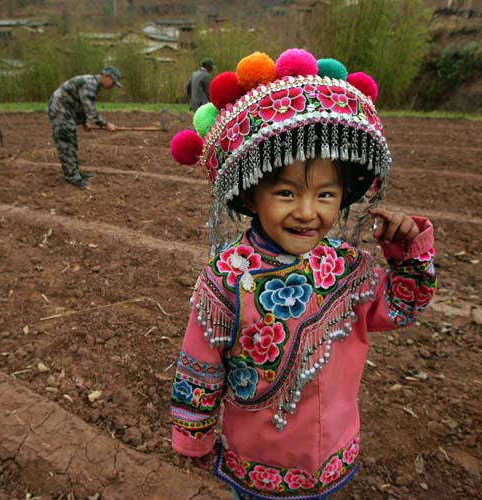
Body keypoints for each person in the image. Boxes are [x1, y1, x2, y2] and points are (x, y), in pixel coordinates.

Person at [168, 49, 436, 499]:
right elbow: (200, 366)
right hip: (256, 466)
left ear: (343, 197)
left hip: (333, 456)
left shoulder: (349, 267)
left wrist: (407, 252)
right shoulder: (225, 278)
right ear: (252, 197)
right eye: (287, 192)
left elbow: (403, 306)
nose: (308, 212)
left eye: (326, 194)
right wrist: (192, 437)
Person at [47, 66, 122, 188]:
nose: (112, 86)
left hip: (66, 110)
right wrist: (105, 124)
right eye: (113, 82)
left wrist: (83, 122)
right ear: (106, 76)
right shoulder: (89, 84)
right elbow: (90, 110)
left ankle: (74, 172)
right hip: (60, 111)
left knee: (72, 142)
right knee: (67, 142)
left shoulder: (93, 84)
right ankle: (72, 176)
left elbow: (80, 104)